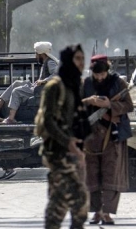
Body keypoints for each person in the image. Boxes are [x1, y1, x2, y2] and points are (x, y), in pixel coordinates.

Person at [36, 44, 91, 229]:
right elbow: (48, 122)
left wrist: (80, 147)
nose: (81, 63)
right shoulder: (54, 86)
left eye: (83, 59)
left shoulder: (75, 85)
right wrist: (68, 143)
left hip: (71, 151)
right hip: (56, 150)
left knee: (59, 199)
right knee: (78, 197)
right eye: (77, 59)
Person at [82, 55, 134, 225]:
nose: (100, 78)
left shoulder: (119, 83)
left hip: (113, 135)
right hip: (90, 135)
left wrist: (109, 106)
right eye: (97, 75)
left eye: (102, 74)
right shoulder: (85, 84)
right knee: (91, 175)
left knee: (111, 174)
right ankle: (96, 212)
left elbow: (129, 105)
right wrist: (90, 101)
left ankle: (107, 213)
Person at [1, 41, 59, 124]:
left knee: (16, 91)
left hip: (41, 91)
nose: (36, 56)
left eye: (36, 54)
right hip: (38, 87)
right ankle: (0, 102)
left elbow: (57, 74)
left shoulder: (50, 62)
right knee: (17, 83)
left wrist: (43, 81)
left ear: (41, 54)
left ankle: (11, 118)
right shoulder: (46, 62)